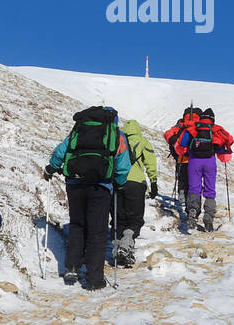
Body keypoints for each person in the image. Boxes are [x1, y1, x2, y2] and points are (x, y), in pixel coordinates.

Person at [43, 105, 131, 290]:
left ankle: (72, 266)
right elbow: (123, 165)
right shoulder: (116, 134)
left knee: (77, 224)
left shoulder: (79, 129)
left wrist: (51, 168)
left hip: (75, 184)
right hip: (101, 185)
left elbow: (61, 151)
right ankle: (94, 279)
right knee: (97, 232)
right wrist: (119, 183)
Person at [177, 108, 233, 232]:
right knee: (210, 191)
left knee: (194, 189)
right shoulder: (215, 129)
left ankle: (192, 210)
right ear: (212, 119)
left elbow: (183, 143)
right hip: (209, 162)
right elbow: (223, 145)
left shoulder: (194, 127)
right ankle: (208, 217)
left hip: (194, 162)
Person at [114, 119, 158, 267]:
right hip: (136, 184)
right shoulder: (143, 141)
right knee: (135, 219)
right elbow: (150, 162)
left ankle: (118, 248)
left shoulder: (118, 139)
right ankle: (126, 248)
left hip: (118, 182)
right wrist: (153, 181)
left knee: (119, 218)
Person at [164, 106, 202, 208]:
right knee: (195, 182)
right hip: (197, 160)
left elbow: (168, 134)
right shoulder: (200, 125)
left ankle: (182, 197)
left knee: (182, 179)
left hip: (181, 158)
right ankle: (193, 202)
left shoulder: (181, 124)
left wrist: (174, 140)